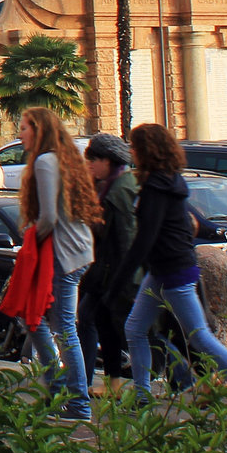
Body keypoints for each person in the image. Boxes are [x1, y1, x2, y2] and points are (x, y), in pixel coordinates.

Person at [112, 122, 227, 418]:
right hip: (165, 269)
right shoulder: (169, 182)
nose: (130, 150)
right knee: (135, 329)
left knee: (200, 337)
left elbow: (146, 237)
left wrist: (121, 276)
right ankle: (142, 395)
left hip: (171, 271)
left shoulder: (157, 188)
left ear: (145, 151)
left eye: (133, 145)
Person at [16, 107, 99, 423]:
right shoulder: (64, 159)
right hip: (75, 251)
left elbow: (49, 217)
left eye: (23, 127)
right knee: (35, 320)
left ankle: (76, 402)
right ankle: (60, 391)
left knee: (61, 326)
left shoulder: (45, 161)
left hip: (62, 255)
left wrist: (29, 239)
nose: (19, 133)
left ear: (37, 130)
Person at [78, 132, 139, 388]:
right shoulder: (109, 185)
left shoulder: (121, 188)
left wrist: (124, 276)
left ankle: (189, 377)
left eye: (94, 159)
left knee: (145, 330)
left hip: (117, 273)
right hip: (105, 272)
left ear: (109, 160)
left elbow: (126, 236)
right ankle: (111, 381)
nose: (89, 164)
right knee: (99, 320)